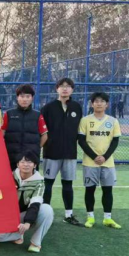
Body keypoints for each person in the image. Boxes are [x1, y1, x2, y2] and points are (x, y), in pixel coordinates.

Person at [0, 150, 53, 253]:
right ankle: (18, 234)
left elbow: (35, 204)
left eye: (29, 162)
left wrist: (27, 222)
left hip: (24, 214)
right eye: (22, 162)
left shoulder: (39, 182)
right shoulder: (8, 176)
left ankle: (36, 242)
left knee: (47, 209)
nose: (26, 164)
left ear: (35, 165)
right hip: (8, 215)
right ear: (18, 164)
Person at [40, 78, 84, 226]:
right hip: (51, 152)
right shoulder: (48, 107)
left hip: (70, 153)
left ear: (72, 89)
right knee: (48, 184)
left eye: (68, 86)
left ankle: (68, 215)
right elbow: (42, 130)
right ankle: (44, 215)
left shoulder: (76, 107)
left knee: (68, 184)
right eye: (62, 86)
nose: (65, 89)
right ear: (57, 89)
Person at [78, 92, 122, 229]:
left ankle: (107, 218)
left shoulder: (113, 121)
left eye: (102, 101)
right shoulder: (85, 120)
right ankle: (90, 217)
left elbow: (115, 141)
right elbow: (81, 141)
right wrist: (94, 156)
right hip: (90, 162)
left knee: (107, 190)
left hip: (107, 163)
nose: (99, 103)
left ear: (106, 104)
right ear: (92, 104)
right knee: (90, 190)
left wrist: (105, 157)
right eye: (96, 101)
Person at [2, 84, 48, 171]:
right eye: (22, 96)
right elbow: (2, 133)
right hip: (11, 156)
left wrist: (36, 148)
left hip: (31, 158)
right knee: (11, 179)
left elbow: (45, 135)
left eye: (27, 96)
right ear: (17, 97)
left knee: (30, 179)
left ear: (32, 98)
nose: (25, 99)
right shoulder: (8, 114)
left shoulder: (38, 115)